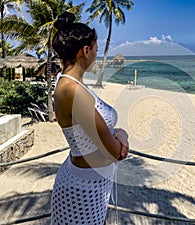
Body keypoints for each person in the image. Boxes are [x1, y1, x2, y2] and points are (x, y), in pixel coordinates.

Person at [51, 11, 129, 225]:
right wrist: (122, 135)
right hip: (82, 189)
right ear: (85, 51)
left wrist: (116, 136)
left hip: (92, 184)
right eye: (95, 48)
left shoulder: (71, 85)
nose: (96, 53)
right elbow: (115, 152)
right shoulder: (71, 91)